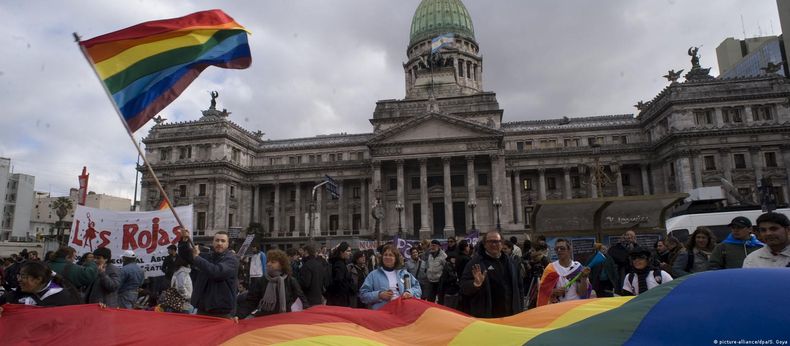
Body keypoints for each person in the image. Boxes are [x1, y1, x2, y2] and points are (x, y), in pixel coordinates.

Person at [460, 231, 523, 318]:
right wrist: (475, 284)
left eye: (497, 241)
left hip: (510, 315)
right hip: (487, 316)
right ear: (485, 244)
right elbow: (463, 287)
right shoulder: (475, 263)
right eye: (490, 241)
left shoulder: (511, 263)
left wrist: (520, 310)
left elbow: (519, 288)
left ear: (502, 243)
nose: (494, 244)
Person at [178, 229, 239, 318]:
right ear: (213, 242)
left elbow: (216, 272)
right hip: (203, 308)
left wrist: (197, 258)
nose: (219, 243)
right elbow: (186, 256)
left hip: (222, 312)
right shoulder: (208, 256)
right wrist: (184, 240)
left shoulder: (232, 260)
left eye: (223, 241)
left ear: (228, 244)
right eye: (217, 240)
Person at [248, 249, 309, 317]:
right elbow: (251, 301)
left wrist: (306, 314)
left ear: (282, 264)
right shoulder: (261, 281)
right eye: (268, 261)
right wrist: (239, 315)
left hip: (286, 318)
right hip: (266, 318)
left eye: (273, 262)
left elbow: (301, 299)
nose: (269, 264)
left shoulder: (290, 280)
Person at [359, 244, 421, 310]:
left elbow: (417, 288)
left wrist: (409, 292)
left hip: (402, 312)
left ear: (396, 258)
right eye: (385, 255)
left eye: (391, 255)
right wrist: (379, 295)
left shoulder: (403, 273)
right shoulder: (373, 275)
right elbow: (363, 295)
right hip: (382, 313)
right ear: (382, 257)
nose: (387, 257)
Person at [0, 261, 81, 309]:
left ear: (38, 279)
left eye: (23, 276)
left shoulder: (63, 298)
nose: (19, 280)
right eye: (19, 275)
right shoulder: (14, 295)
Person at [537, 239, 591, 306]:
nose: (559, 250)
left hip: (575, 306)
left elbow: (582, 293)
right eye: (557, 249)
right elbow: (542, 291)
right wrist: (553, 292)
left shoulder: (577, 267)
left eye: (562, 248)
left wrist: (584, 278)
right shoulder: (550, 268)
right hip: (558, 308)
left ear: (569, 250)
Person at [605, 230, 638, 294]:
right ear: (623, 236)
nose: (629, 237)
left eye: (631, 236)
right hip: (621, 274)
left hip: (634, 273)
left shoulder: (637, 248)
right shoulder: (615, 248)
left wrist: (635, 245)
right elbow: (620, 258)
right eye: (627, 235)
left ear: (634, 238)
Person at [326, 242, 355, 307]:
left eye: (350, 251)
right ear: (341, 252)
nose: (350, 253)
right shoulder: (339, 264)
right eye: (348, 251)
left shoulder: (338, 262)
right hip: (340, 300)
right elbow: (339, 281)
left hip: (337, 299)